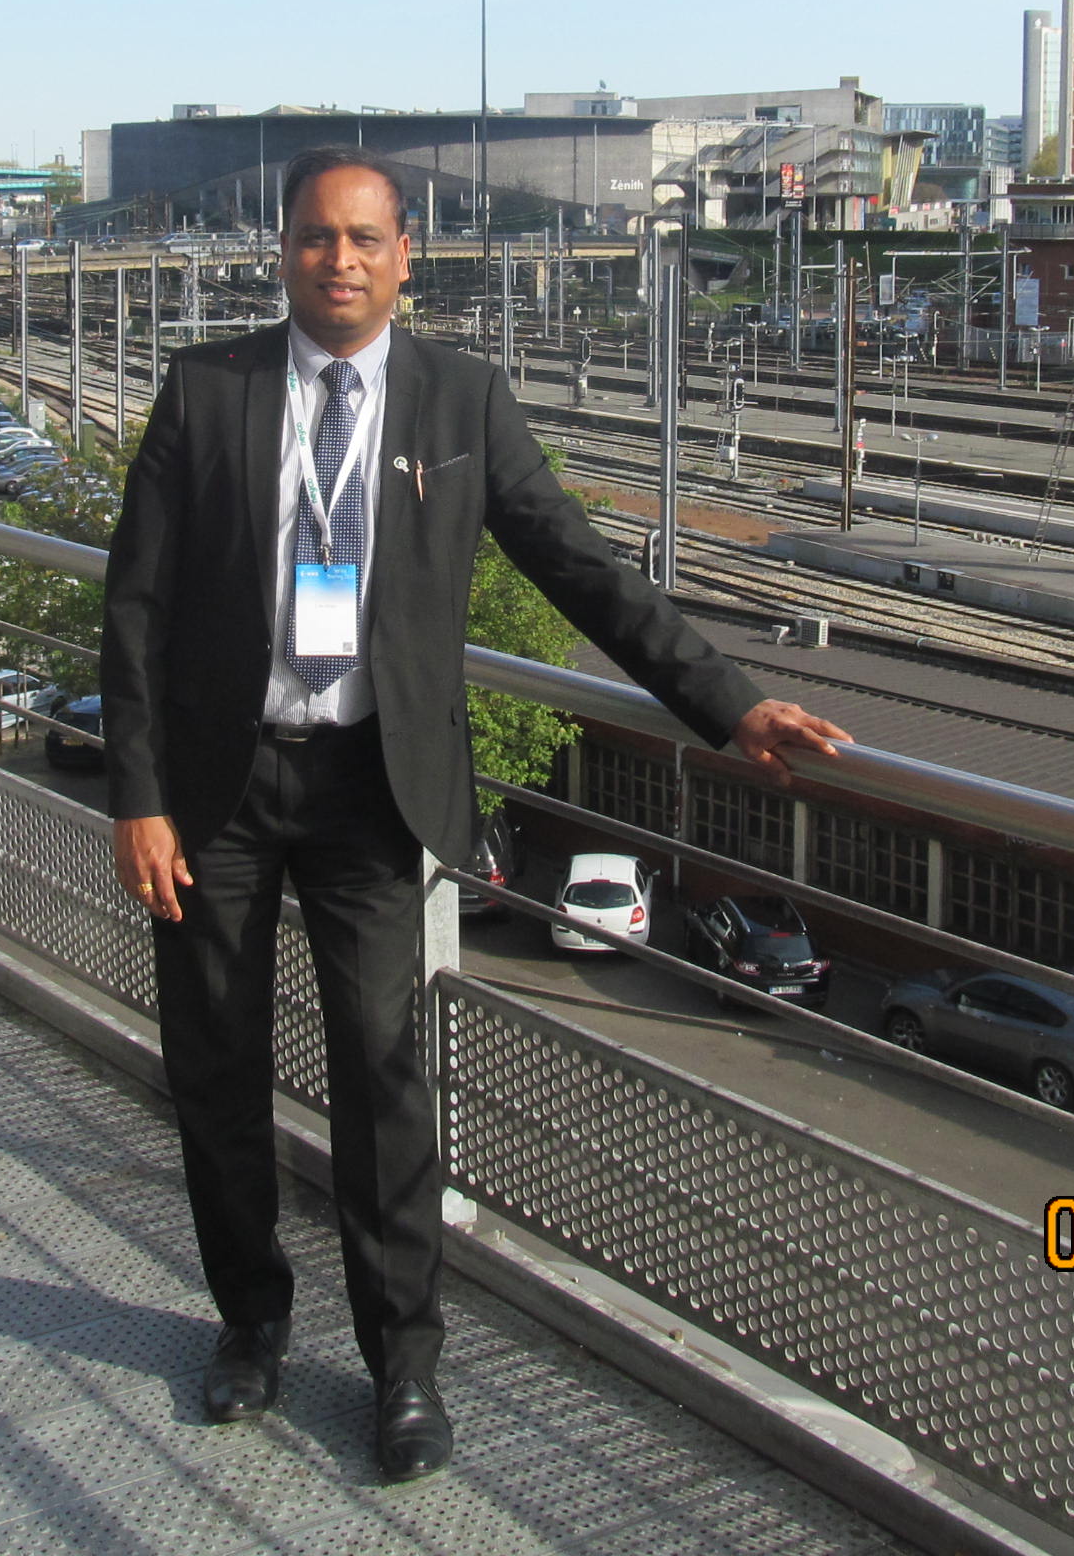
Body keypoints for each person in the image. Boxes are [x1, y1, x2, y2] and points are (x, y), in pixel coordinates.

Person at [102, 144, 848, 1483]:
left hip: (369, 789)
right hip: (216, 790)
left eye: (364, 239)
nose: (339, 261)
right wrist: (140, 797)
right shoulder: (209, 390)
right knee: (214, 1070)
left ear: (407, 257)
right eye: (316, 237)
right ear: (282, 251)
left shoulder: (461, 398)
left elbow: (580, 565)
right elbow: (136, 606)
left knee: (385, 1084)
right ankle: (250, 1322)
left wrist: (728, 704)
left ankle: (403, 1368)